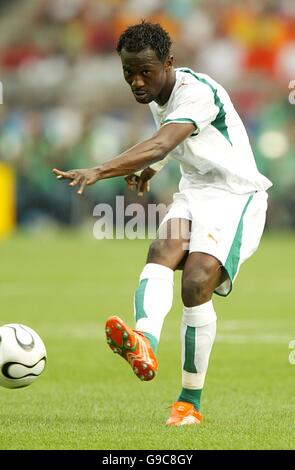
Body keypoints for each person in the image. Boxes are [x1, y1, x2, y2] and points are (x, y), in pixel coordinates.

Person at [53, 21, 272, 426]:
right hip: (196, 190)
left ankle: (189, 403)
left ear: (168, 63)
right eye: (128, 73)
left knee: (195, 281)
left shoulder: (197, 92)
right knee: (160, 251)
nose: (136, 82)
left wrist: (101, 170)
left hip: (236, 196)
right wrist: (153, 168)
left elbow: (164, 140)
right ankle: (144, 342)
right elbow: (172, 141)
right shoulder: (159, 92)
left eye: (145, 73)